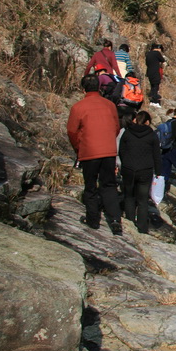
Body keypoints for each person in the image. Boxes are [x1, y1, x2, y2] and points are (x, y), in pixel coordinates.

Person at [67, 74, 122, 235]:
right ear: (99, 87)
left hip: (89, 151)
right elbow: (116, 127)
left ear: (83, 89)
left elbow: (72, 131)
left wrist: (79, 148)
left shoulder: (78, 107)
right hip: (108, 150)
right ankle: (115, 221)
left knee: (90, 186)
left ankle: (93, 220)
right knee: (109, 185)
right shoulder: (109, 105)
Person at [119, 109, 162, 234]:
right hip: (145, 170)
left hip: (128, 169)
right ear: (148, 122)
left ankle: (130, 224)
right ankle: (142, 228)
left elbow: (121, 151)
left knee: (129, 197)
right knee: (143, 201)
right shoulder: (152, 135)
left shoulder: (127, 132)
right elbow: (156, 155)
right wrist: (158, 172)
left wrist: (125, 163)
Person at [145, 43, 166, 107]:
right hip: (156, 72)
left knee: (152, 86)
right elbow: (163, 60)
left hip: (149, 72)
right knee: (156, 87)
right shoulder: (156, 53)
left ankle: (151, 100)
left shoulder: (148, 54)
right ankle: (154, 102)